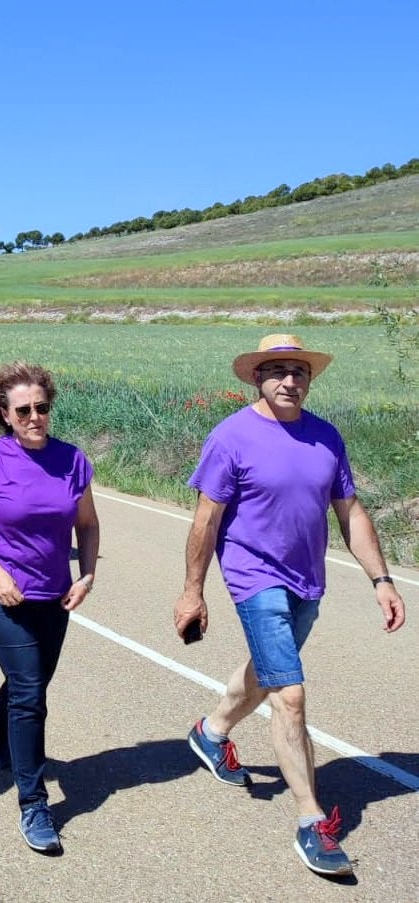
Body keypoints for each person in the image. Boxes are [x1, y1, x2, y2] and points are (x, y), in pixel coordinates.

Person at [172, 334, 406, 877]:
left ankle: (208, 733)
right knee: (290, 694)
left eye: (298, 371)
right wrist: (192, 590)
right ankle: (311, 822)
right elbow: (206, 521)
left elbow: (349, 511)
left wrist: (382, 579)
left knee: (271, 673)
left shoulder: (326, 437)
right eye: (276, 371)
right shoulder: (231, 436)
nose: (288, 380)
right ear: (258, 378)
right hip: (255, 579)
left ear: (309, 379)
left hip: (308, 580)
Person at [0, 362, 99, 854]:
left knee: (26, 686)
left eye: (42, 407)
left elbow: (88, 525)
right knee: (32, 692)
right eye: (24, 410)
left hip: (54, 593)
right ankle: (34, 804)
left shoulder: (72, 461)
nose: (35, 417)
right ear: (4, 414)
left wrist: (88, 575)